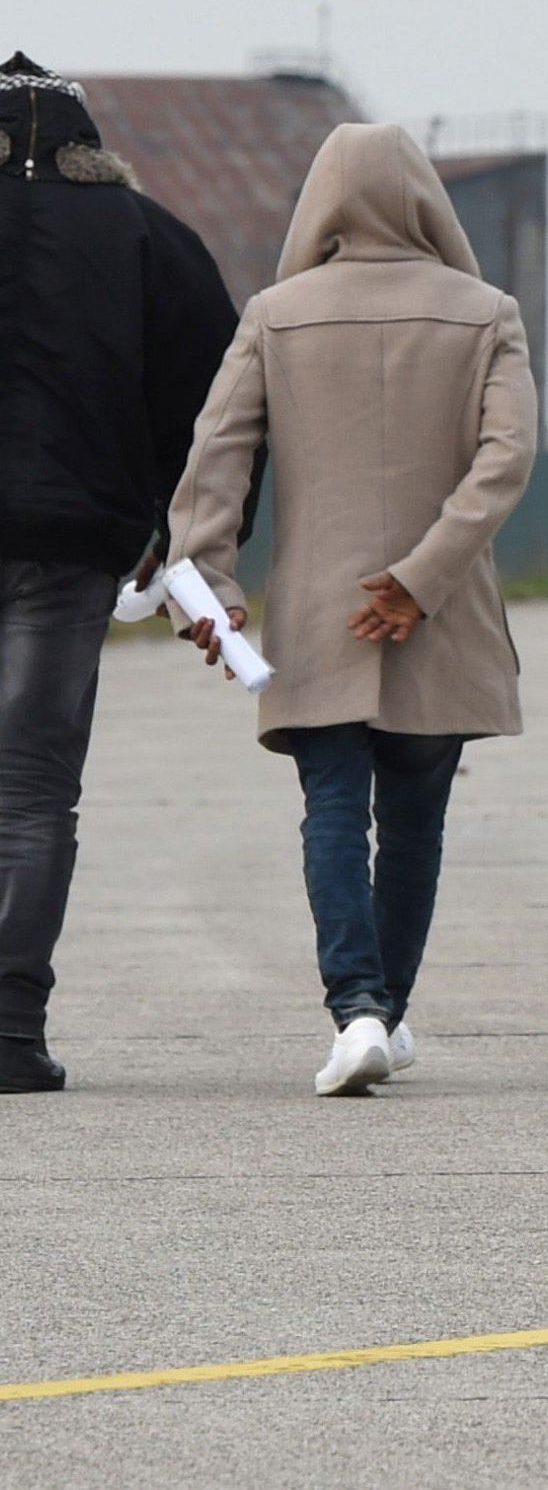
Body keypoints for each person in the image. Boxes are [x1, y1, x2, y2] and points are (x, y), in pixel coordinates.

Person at [169, 124, 539, 1096]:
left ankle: (359, 1011)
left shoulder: (277, 314)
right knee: (417, 819)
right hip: (443, 607)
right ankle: (387, 1010)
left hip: (321, 612)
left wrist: (209, 584)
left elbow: (217, 459)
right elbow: (506, 459)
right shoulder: (486, 310)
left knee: (333, 807)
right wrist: (423, 575)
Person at [0, 54, 234, 1094]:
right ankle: (8, 1032)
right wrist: (172, 525)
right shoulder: (148, 235)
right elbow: (219, 395)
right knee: (35, 788)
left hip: (72, 530)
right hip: (72, 543)